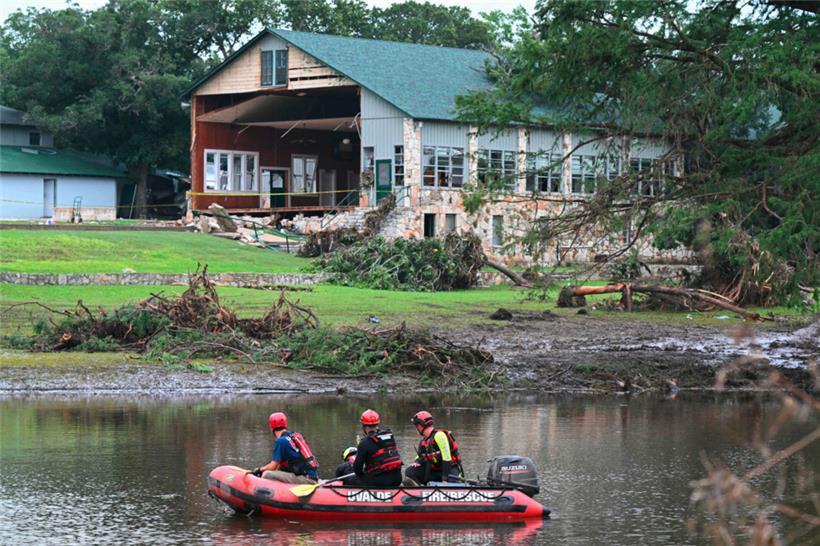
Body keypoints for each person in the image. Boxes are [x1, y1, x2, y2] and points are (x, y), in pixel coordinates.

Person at [249, 411, 318, 484]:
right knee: (279, 469)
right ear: (285, 424)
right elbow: (278, 466)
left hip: (306, 479)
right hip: (311, 476)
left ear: (271, 427)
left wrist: (259, 470)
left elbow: (272, 467)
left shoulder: (281, 441)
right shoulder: (293, 436)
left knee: (267, 474)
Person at [405, 410, 463, 485]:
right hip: (436, 473)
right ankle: (421, 491)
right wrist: (417, 463)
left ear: (420, 426)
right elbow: (419, 457)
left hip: (450, 472)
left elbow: (447, 459)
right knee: (410, 471)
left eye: (416, 426)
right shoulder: (423, 442)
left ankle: (452, 486)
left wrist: (444, 481)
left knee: (450, 482)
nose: (416, 428)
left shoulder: (439, 435)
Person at [352, 409, 403, 487]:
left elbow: (357, 470)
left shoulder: (364, 443)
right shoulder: (390, 437)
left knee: (352, 479)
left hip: (379, 482)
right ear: (377, 424)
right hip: (397, 479)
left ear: (364, 426)